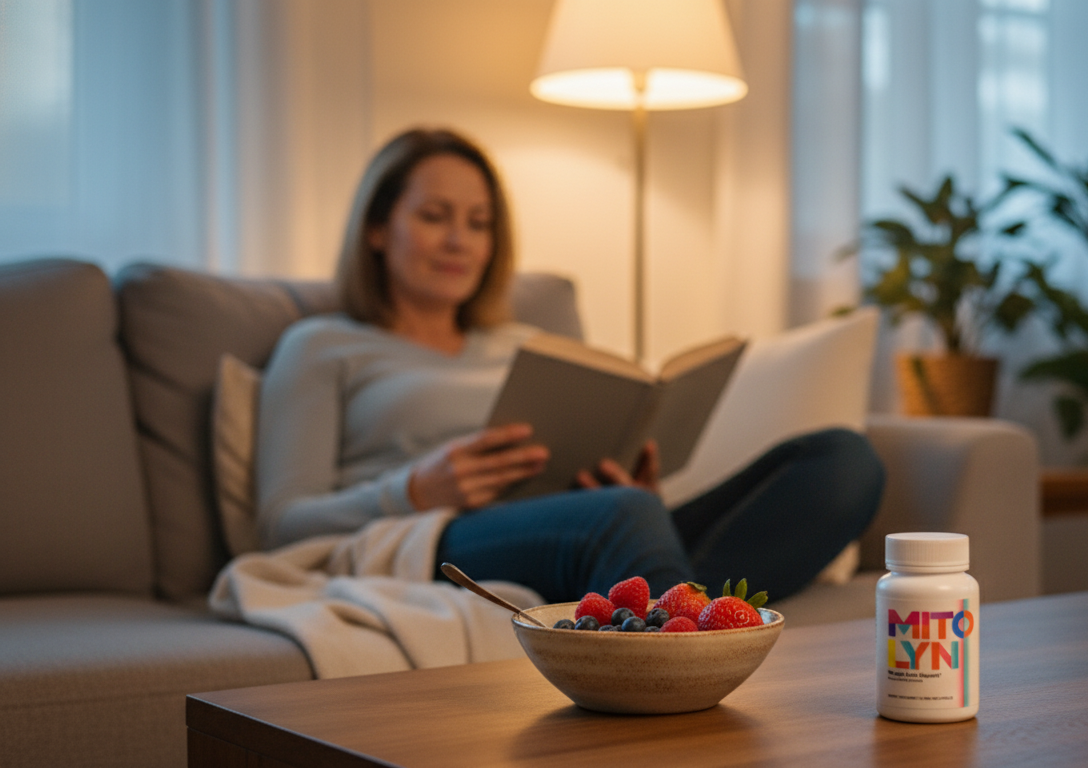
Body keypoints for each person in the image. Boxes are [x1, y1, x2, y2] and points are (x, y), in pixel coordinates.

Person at [255, 127, 884, 605]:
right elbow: (280, 523)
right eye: (433, 216)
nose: (459, 241)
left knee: (840, 461)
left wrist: (628, 483)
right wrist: (412, 490)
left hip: (582, 522)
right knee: (623, 519)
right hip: (436, 538)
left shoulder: (527, 343)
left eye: (479, 223)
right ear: (375, 227)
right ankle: (680, 655)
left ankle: (660, 606)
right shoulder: (321, 346)